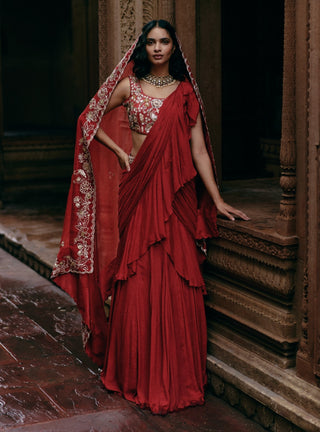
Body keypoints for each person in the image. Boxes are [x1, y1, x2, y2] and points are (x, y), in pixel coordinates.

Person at [52, 19, 249, 415]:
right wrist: (122, 152)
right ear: (144, 47)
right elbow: (87, 120)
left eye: (164, 42)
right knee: (137, 274)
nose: (158, 48)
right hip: (139, 191)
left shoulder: (186, 93)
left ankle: (175, 373)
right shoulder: (130, 86)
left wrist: (217, 198)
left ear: (174, 48)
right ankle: (136, 372)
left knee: (178, 274)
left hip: (176, 195)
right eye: (151, 42)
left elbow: (198, 152)